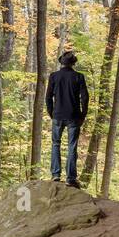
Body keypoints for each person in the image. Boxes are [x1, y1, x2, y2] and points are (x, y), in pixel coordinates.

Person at [45, 49, 89, 186]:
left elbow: (48, 97)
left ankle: (55, 175)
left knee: (55, 144)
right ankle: (71, 178)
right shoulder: (79, 77)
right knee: (72, 146)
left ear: (62, 63)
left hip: (58, 115)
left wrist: (51, 113)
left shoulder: (54, 76)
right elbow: (85, 97)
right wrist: (83, 114)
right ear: (73, 63)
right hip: (74, 116)